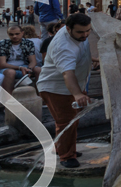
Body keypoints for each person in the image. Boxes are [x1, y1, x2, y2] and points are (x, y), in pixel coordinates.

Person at [36, 14, 95, 168]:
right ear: (68, 29)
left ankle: (61, 147)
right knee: (66, 121)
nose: (85, 35)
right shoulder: (64, 47)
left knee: (72, 120)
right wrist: (77, 94)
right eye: (80, 32)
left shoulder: (75, 33)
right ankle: (66, 157)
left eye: (88, 31)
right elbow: (67, 73)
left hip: (72, 85)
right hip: (56, 88)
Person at [0, 25, 40, 96]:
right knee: (11, 72)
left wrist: (29, 69)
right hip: (7, 68)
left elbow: (33, 61)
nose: (14, 36)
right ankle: (9, 99)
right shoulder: (2, 44)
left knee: (38, 70)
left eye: (17, 34)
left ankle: (40, 97)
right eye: (11, 34)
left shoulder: (28, 43)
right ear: (8, 34)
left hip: (25, 66)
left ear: (22, 33)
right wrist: (19, 68)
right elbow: (2, 64)